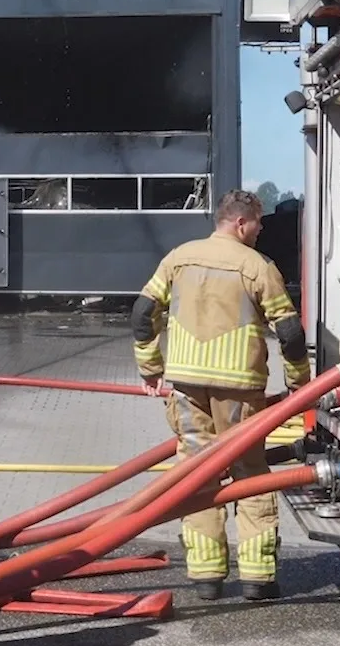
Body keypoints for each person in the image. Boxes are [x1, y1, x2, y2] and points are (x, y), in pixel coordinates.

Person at [131, 188, 308, 602]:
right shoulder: (258, 266)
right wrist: (301, 382)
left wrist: (151, 370)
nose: (262, 230)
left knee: (196, 475)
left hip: (187, 385)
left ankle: (207, 578)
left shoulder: (178, 257)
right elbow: (290, 332)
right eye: (258, 223)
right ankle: (257, 578)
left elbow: (142, 314)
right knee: (249, 475)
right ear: (241, 223)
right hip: (240, 390)